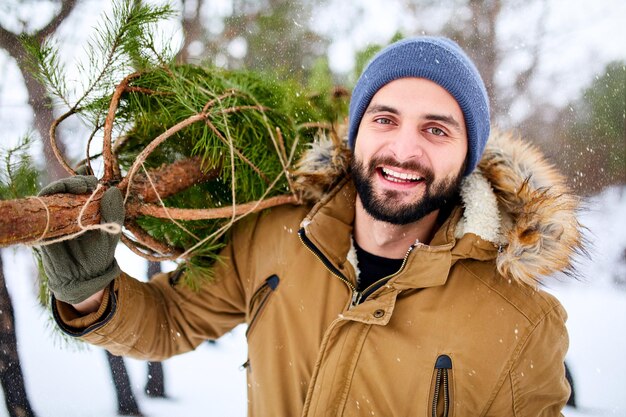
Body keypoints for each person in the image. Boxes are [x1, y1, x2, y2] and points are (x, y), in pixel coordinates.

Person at [39, 36, 581, 416]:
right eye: (385, 119)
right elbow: (172, 320)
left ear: (467, 158)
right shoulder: (274, 235)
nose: (404, 149)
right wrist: (90, 296)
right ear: (355, 134)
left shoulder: (522, 322)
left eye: (437, 130)